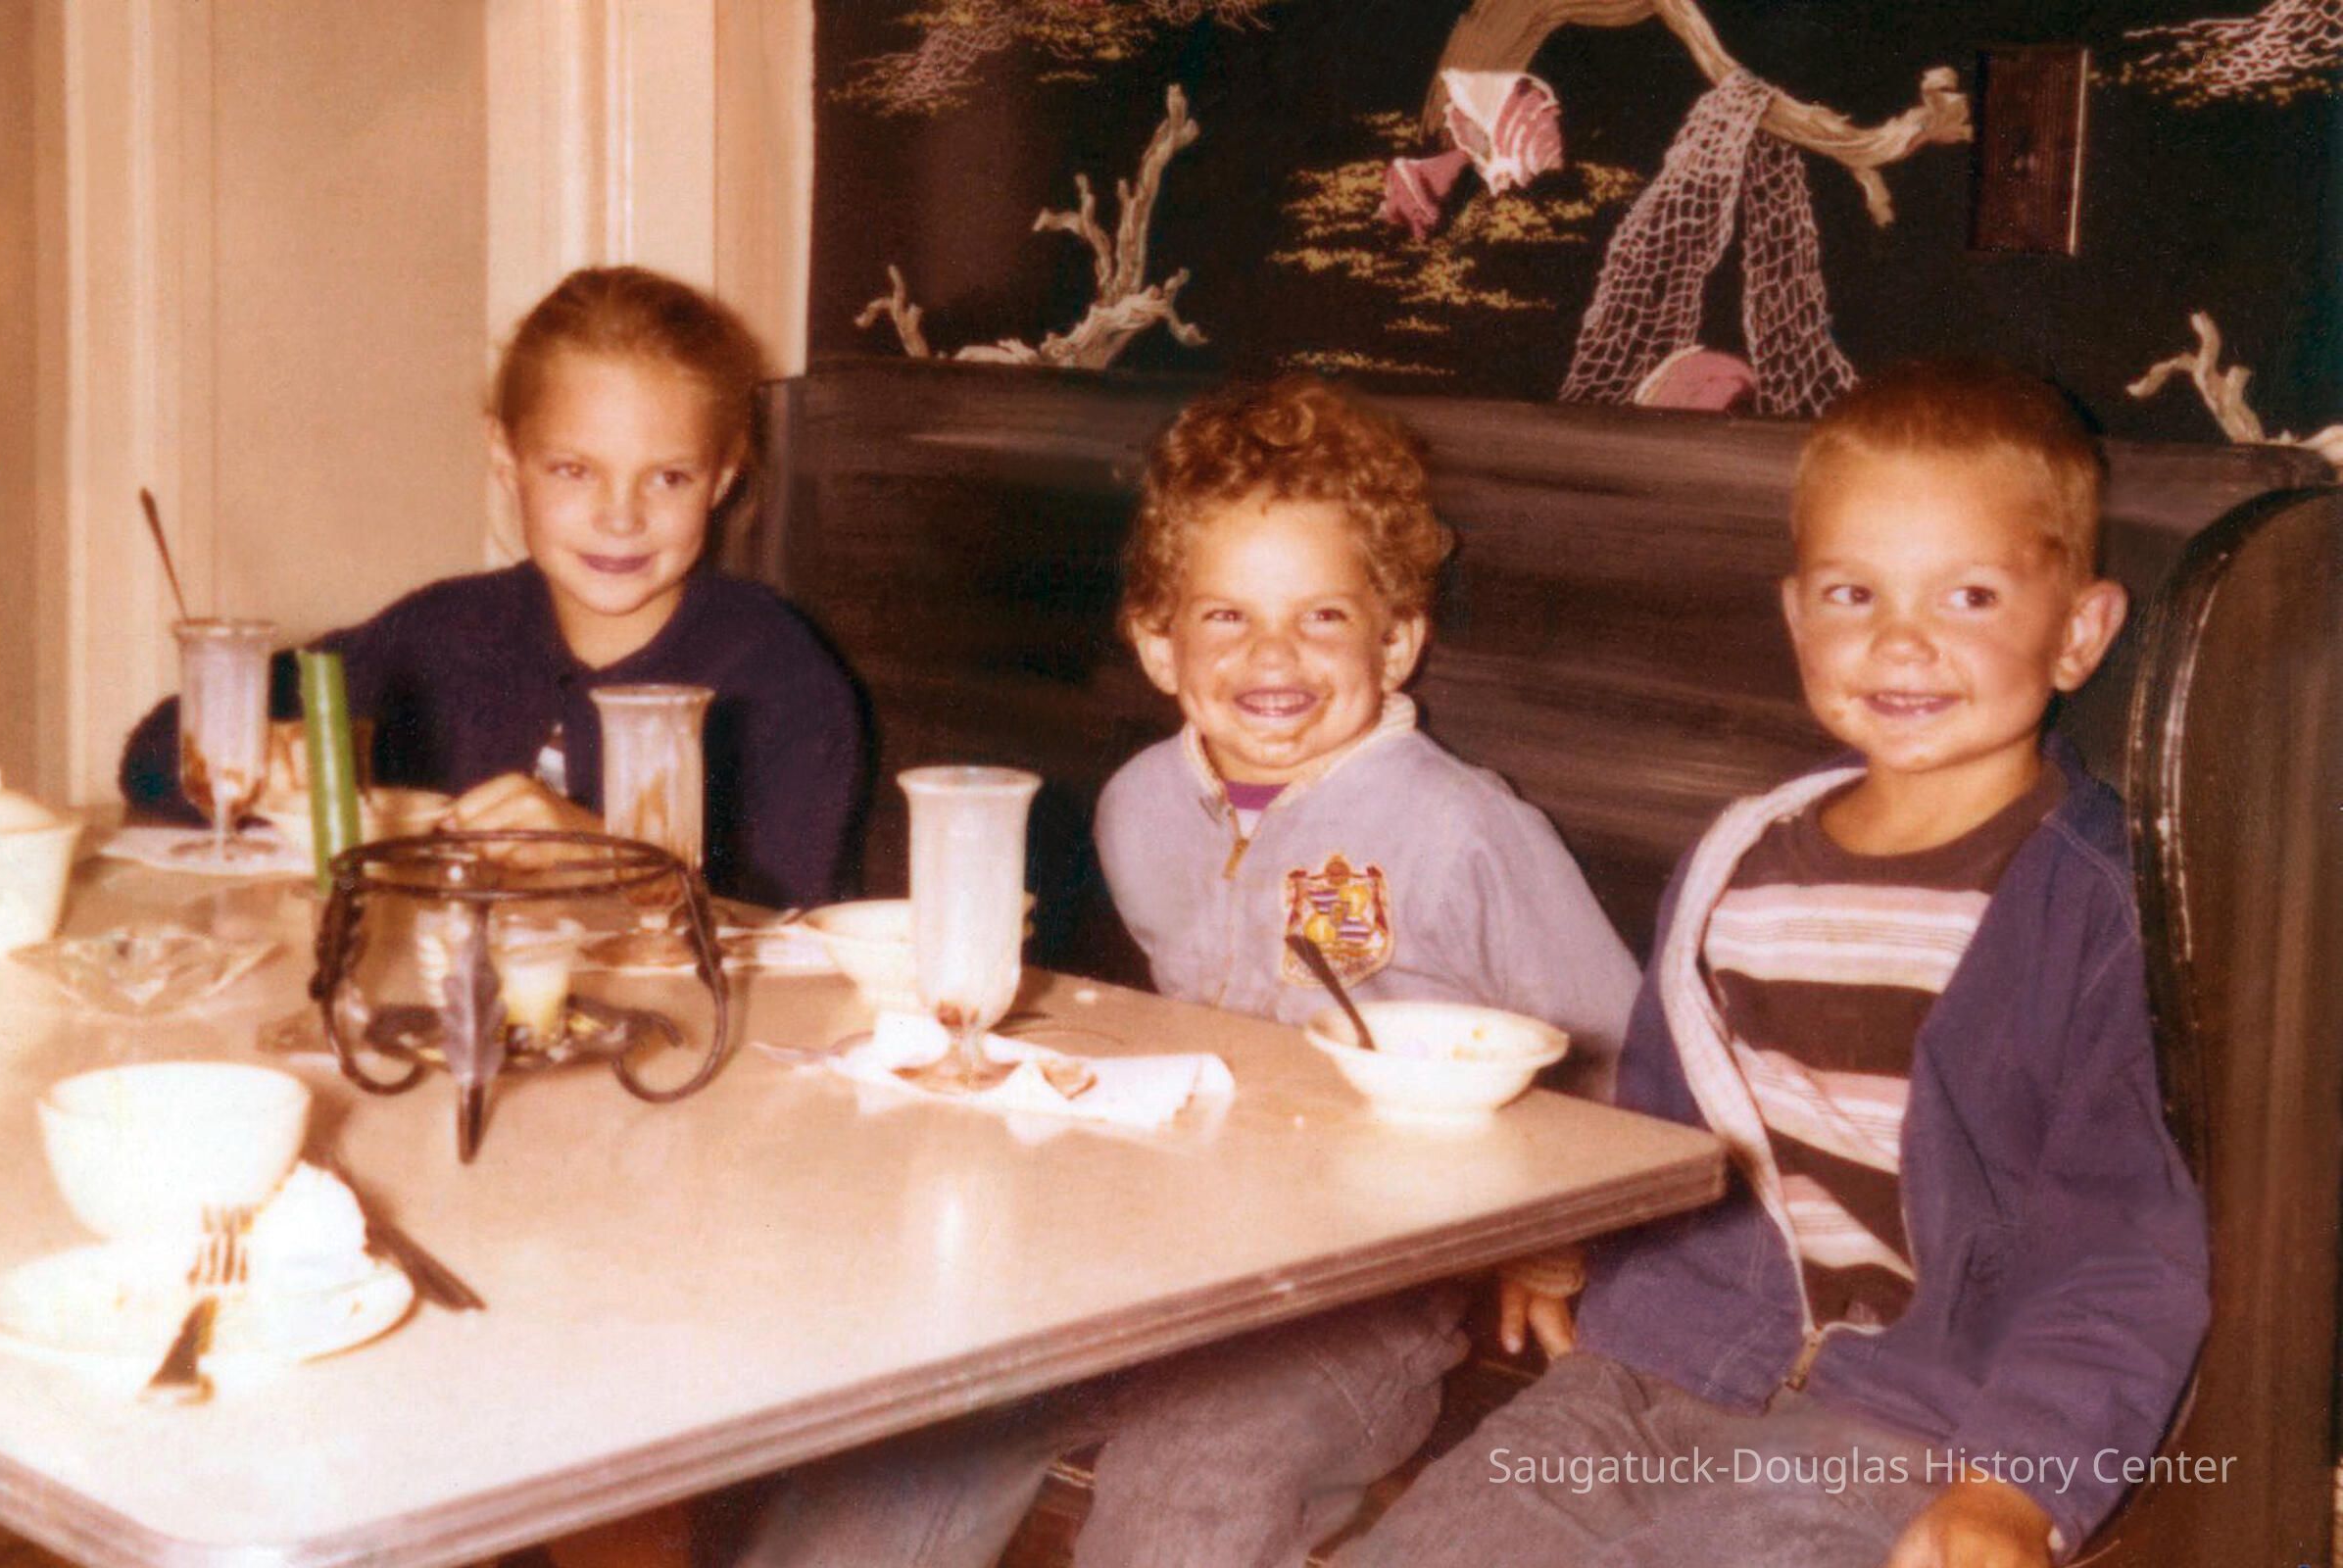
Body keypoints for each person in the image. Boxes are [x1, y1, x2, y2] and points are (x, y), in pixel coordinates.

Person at [739, 374, 1641, 1568]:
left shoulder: (1462, 831)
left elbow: (1628, 1047)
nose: (1273, 653)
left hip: (1357, 1304)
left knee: (1188, 1485)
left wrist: (1557, 1237)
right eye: (1226, 618)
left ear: (1399, 637)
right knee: (909, 1430)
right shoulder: (1139, 809)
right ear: (1160, 646)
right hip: (1150, 1254)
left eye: (1324, 616)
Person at [1337, 359, 2211, 1568]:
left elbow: (2126, 1249)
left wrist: (2022, 1486)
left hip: (1922, 1420)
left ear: (2078, 631)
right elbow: (1662, 1120)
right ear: (1799, 616)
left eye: (1967, 596)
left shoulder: (2101, 909)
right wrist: (1577, 1234)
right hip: (1661, 1367)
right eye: (1854, 593)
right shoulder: (1739, 859)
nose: (1900, 640)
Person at [119, 265, 861, 908]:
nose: (621, 516)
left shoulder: (776, 677)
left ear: (722, 480)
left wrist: (612, 856)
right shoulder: (441, 633)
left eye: (669, 477)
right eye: (574, 470)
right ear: (507, 460)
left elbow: (783, 933)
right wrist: (261, 750)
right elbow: (153, 759)